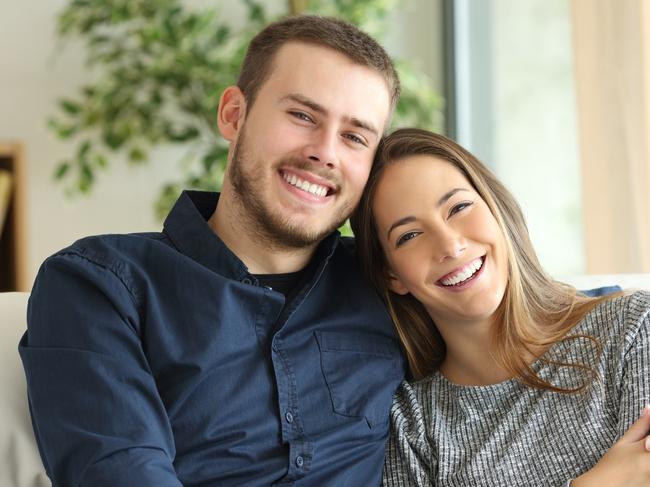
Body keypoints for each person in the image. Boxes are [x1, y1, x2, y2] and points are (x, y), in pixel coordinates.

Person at [19, 16, 406, 486]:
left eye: (354, 137)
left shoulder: (392, 283)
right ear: (233, 114)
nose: (325, 153)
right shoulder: (98, 285)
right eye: (303, 116)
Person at [350, 128, 650, 486]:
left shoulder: (633, 330)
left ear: (496, 209)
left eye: (458, 207)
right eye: (409, 235)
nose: (450, 245)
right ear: (391, 274)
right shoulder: (411, 428)